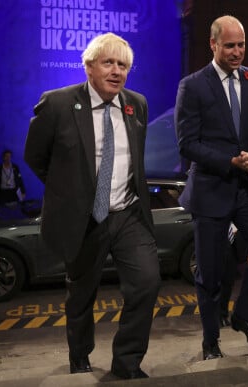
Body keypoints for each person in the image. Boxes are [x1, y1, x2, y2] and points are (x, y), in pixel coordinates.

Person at [24, 32, 160, 379]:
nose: (117, 71)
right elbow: (35, 157)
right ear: (88, 67)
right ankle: (80, 356)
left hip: (128, 213)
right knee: (81, 295)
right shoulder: (57, 104)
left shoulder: (137, 104)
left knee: (146, 282)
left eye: (123, 65)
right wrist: (71, 194)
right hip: (85, 219)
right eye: (108, 63)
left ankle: (127, 361)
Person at [175, 15, 248, 360]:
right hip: (210, 188)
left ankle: (244, 318)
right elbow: (187, 144)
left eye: (242, 45)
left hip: (247, 188)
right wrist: (229, 160)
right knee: (210, 274)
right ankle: (210, 343)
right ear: (213, 44)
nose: (237, 52)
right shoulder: (193, 85)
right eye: (230, 45)